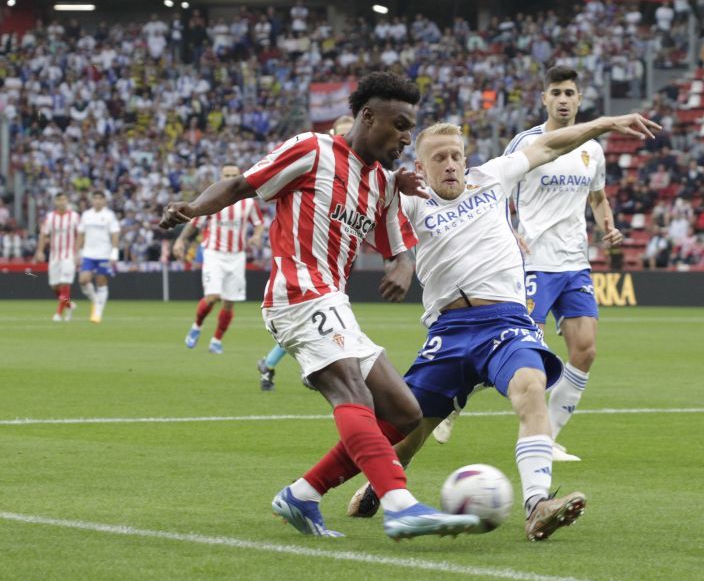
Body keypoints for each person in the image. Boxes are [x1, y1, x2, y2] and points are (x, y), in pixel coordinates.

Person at [159, 72, 480, 540]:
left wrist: (403, 266)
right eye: (400, 124)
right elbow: (241, 187)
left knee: (405, 412)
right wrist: (192, 207)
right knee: (355, 393)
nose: (407, 137)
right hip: (296, 294)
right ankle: (400, 503)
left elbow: (398, 246)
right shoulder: (312, 149)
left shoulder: (383, 183)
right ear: (367, 116)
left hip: (332, 300)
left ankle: (303, 495)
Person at [311, 113, 659, 541]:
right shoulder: (407, 200)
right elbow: (346, 203)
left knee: (530, 384)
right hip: (449, 331)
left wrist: (604, 123)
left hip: (506, 322)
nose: (451, 164)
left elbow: (550, 146)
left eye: (456, 155)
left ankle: (537, 504)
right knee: (408, 427)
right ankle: (359, 485)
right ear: (420, 168)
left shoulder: (492, 178)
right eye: (439, 158)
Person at [431, 66, 625, 462]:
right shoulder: (527, 142)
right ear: (544, 99)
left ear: (580, 99)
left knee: (585, 350)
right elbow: (496, 190)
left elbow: (598, 197)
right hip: (533, 261)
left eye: (570, 92)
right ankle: (453, 399)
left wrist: (609, 225)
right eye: (556, 92)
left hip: (575, 263)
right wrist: (509, 232)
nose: (564, 99)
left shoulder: (593, 149)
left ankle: (547, 436)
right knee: (520, 350)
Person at [258, 114, 355, 389]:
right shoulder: (316, 163)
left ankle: (272, 363)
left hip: (336, 264)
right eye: (344, 134)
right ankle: (313, 366)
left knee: (315, 321)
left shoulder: (359, 178)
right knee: (317, 319)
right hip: (303, 264)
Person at [174, 164, 265, 354]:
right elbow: (194, 224)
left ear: (240, 176)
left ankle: (216, 340)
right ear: (220, 177)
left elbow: (259, 224)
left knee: (230, 301)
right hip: (214, 254)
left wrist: (257, 235)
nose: (230, 178)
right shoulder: (212, 200)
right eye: (227, 175)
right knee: (213, 297)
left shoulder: (248, 203)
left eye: (234, 175)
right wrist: (180, 240)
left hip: (237, 256)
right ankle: (197, 327)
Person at [77, 190, 121, 323]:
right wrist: (78, 252)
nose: (97, 201)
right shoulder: (86, 215)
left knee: (101, 281)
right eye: (95, 198)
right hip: (88, 254)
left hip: (103, 254)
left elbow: (115, 234)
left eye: (100, 198)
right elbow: (80, 234)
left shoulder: (109, 215)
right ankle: (96, 302)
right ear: (92, 200)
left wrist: (114, 252)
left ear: (104, 201)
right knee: (83, 280)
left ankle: (98, 313)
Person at [35, 193, 80, 321]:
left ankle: (58, 314)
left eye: (64, 199)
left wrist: (78, 253)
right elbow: (43, 235)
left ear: (67, 200)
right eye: (59, 199)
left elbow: (81, 235)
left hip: (69, 255)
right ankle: (69, 305)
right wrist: (40, 251)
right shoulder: (50, 217)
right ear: (55, 202)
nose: (62, 202)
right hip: (55, 255)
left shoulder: (75, 217)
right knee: (55, 286)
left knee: (65, 282)